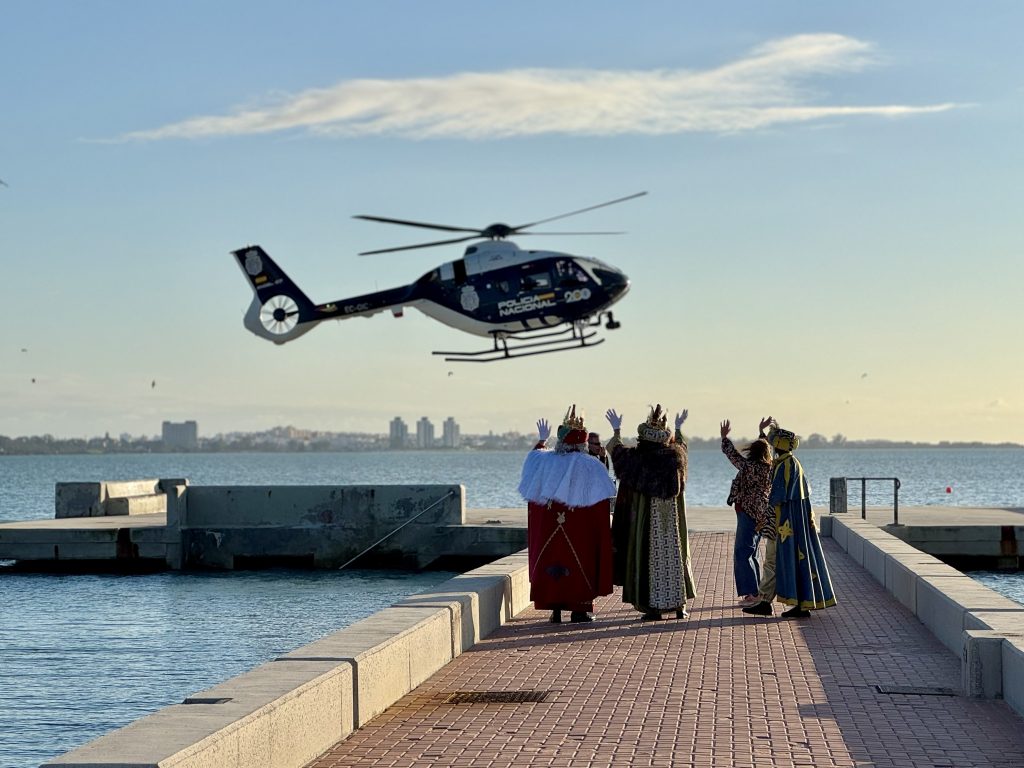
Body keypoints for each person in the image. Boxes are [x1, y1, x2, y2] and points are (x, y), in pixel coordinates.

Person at [518, 405, 616, 623]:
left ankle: (555, 610)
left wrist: (541, 441)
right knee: (580, 563)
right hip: (579, 531)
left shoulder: (545, 460)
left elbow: (532, 460)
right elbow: (601, 501)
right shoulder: (590, 465)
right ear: (582, 443)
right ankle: (579, 610)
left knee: (552, 562)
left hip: (549, 529)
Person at [605, 404, 696, 621]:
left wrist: (616, 430)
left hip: (647, 518)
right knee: (675, 555)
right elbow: (682, 446)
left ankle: (654, 607)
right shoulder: (676, 457)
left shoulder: (638, 458)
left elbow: (616, 451)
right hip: (672, 519)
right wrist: (678, 428)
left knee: (648, 557)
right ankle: (679, 605)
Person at [743, 423, 837, 618]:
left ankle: (765, 602)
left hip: (782, 525)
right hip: (792, 525)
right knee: (793, 561)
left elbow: (776, 498)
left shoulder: (785, 466)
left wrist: (765, 521)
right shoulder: (792, 463)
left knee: (771, 561)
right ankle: (796, 604)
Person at [721, 417, 775, 607]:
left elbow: (732, 455)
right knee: (752, 552)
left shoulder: (748, 466)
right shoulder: (770, 469)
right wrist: (762, 432)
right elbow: (765, 448)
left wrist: (724, 438)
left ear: (752, 452)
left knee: (742, 552)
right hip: (762, 512)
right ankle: (756, 591)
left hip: (747, 511)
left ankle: (752, 594)